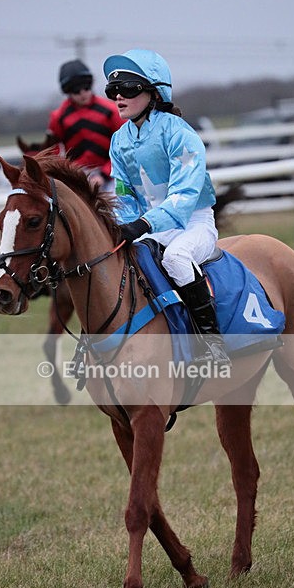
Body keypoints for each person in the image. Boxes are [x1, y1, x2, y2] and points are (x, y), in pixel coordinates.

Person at [103, 48, 231, 366]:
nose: (119, 97)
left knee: (176, 258)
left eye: (129, 89)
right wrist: (124, 224)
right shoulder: (119, 140)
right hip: (152, 226)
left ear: (154, 92)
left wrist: (143, 225)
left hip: (193, 223)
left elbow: (184, 195)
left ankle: (213, 346)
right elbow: (123, 193)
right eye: (113, 91)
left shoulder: (179, 133)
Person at [19, 59, 123, 191]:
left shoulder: (111, 111)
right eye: (76, 91)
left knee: (120, 208)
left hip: (111, 175)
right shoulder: (59, 117)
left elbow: (122, 148)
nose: (82, 94)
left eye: (86, 88)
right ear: (68, 91)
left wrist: (104, 174)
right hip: (76, 176)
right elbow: (53, 152)